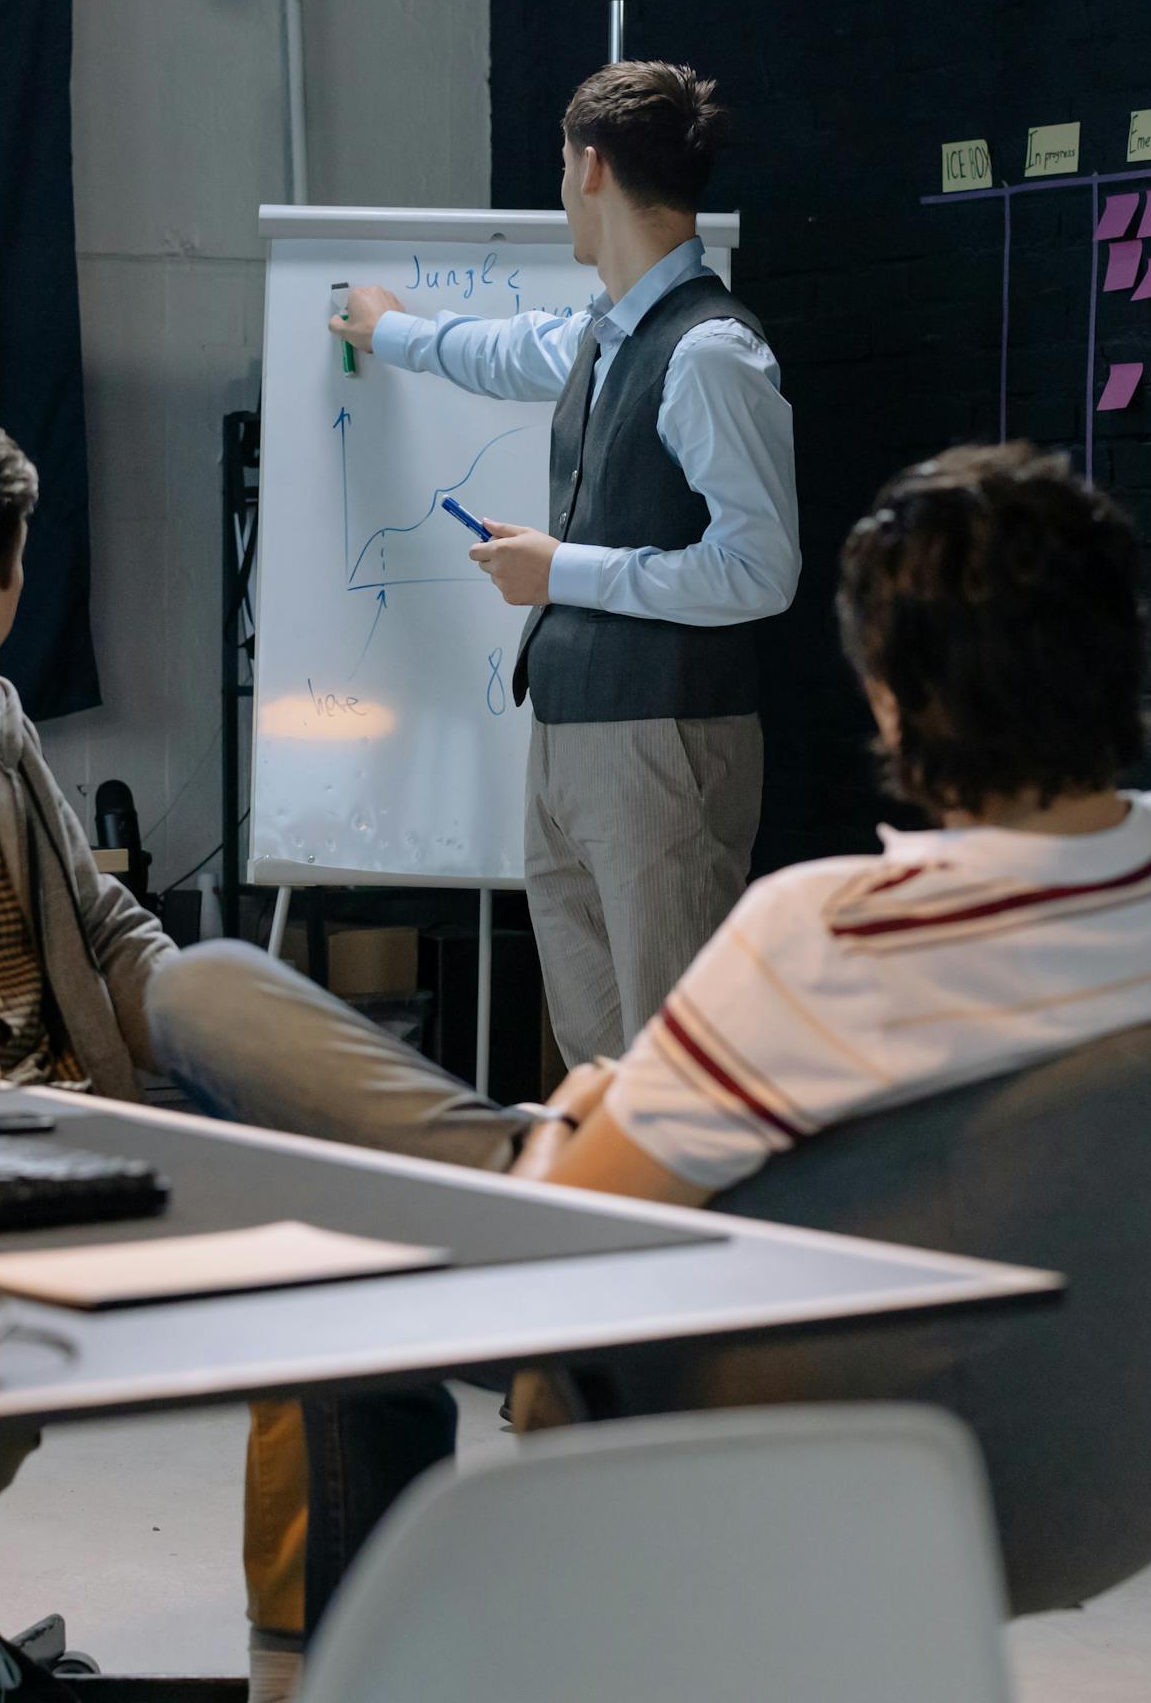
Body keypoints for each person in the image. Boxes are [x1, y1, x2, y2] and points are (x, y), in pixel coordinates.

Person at [147, 439, 1151, 1656]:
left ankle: (335, 1666)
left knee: (215, 998)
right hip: (1108, 1462)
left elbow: (564, 1234)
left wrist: (590, 1108)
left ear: (892, 697)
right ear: (1128, 654)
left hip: (782, 1411)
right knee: (336, 1200)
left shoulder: (830, 935)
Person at [0, 414, 298, 1703]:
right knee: (24, 1329)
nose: (26, 586)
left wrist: (226, 1027)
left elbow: (99, 919)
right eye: (23, 560)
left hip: (42, 1119)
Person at [330, 60, 800, 1065]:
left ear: (589, 168)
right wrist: (388, 330)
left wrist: (563, 571)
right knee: (594, 1053)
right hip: (576, 736)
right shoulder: (610, 332)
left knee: (672, 1056)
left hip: (663, 740)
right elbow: (504, 351)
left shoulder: (710, 351)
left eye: (557, 167)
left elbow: (762, 569)